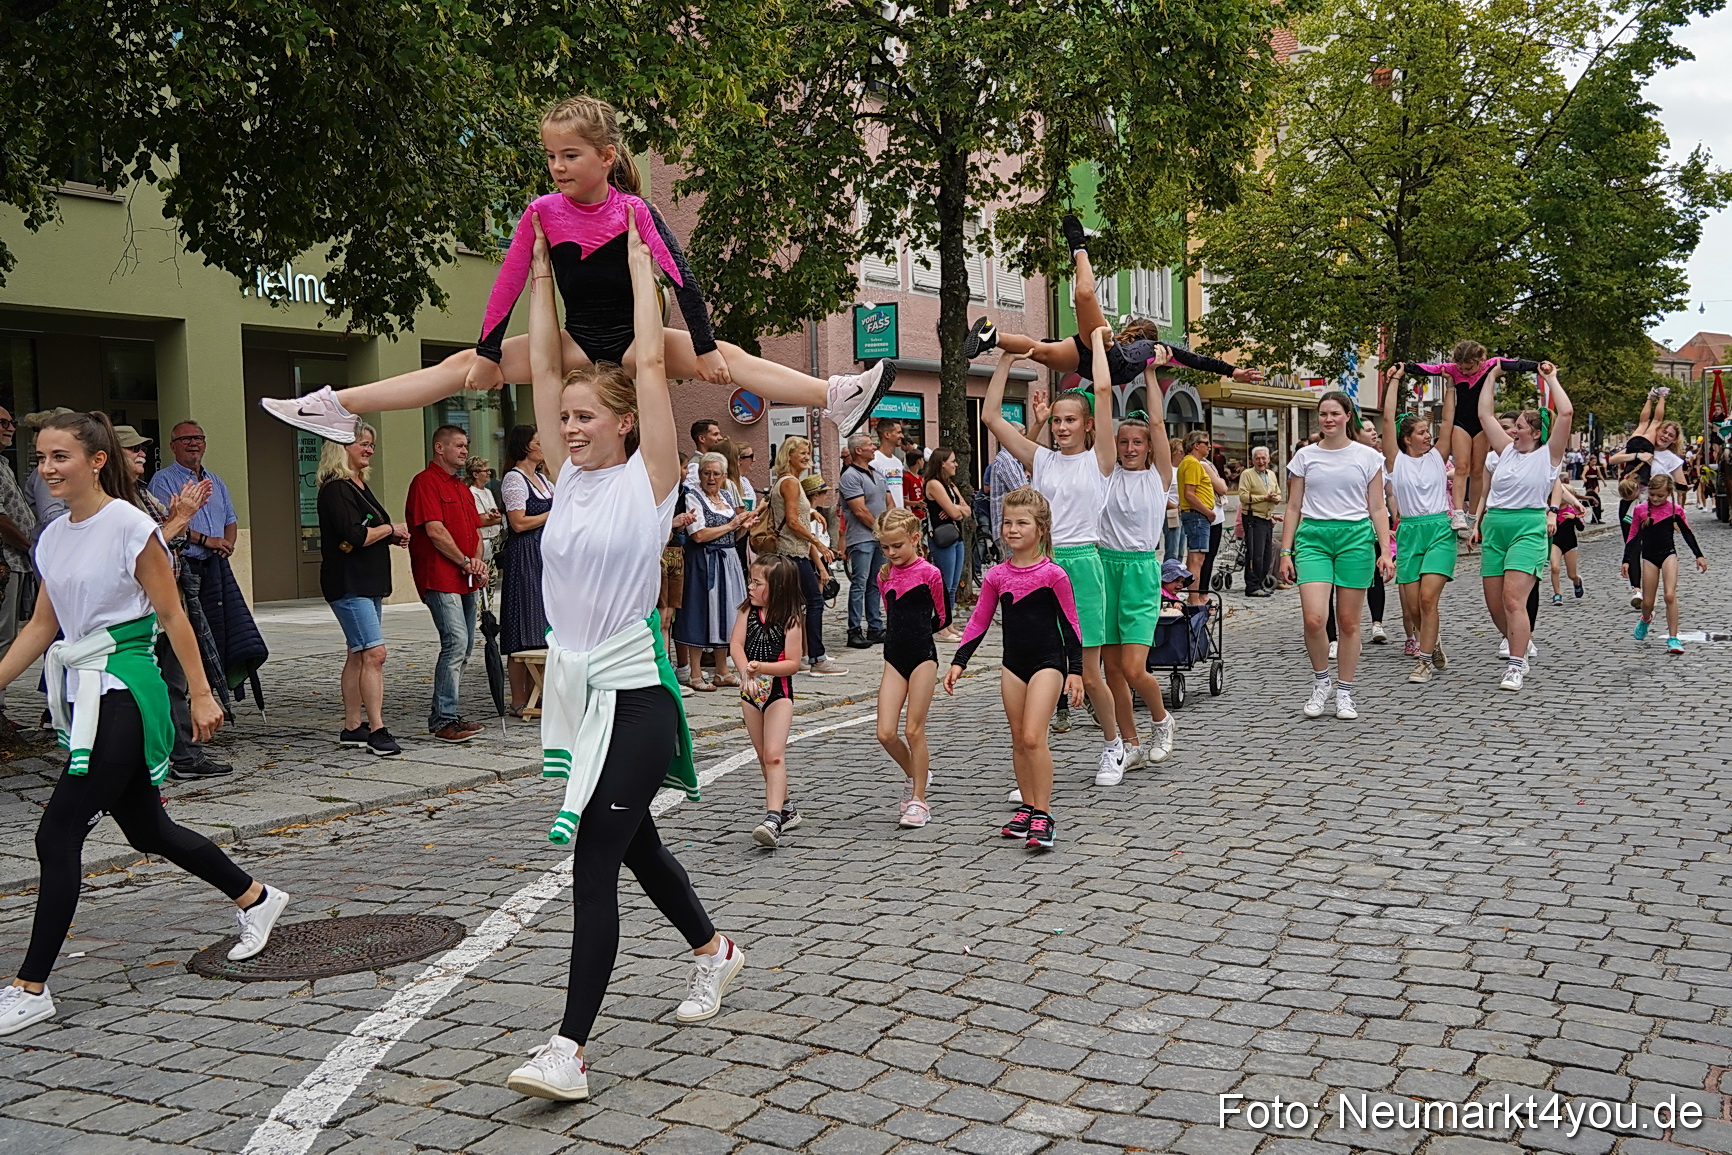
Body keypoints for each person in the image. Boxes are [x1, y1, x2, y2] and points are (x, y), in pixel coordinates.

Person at [260, 97, 896, 446]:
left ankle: (834, 396)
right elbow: (508, 283)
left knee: (728, 350)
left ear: (606, 157)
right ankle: (332, 405)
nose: (558, 166)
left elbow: (683, 278)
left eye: (570, 156)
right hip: (575, 339)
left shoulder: (634, 211)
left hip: (635, 340)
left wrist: (702, 348)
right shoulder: (542, 212)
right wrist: (485, 350)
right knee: (459, 368)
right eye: (551, 156)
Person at [504, 206, 739, 1103]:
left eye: (581, 416)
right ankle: (715, 949)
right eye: (559, 416)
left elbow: (647, 363)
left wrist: (643, 265)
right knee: (634, 842)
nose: (565, 426)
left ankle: (568, 1047)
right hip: (577, 692)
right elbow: (540, 355)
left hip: (636, 696)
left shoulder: (652, 477)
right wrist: (535, 275)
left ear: (622, 425)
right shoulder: (559, 484)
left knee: (595, 856)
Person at [0, 412, 289, 1038]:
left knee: (57, 834)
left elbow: (173, 614)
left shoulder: (132, 526)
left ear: (97, 460)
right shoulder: (52, 536)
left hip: (128, 689)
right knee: (147, 828)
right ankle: (257, 898)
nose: (47, 468)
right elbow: (43, 627)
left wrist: (205, 695)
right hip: (86, 688)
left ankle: (31, 987)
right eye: (42, 457)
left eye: (61, 457)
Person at [983, 339, 1123, 783]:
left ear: (1086, 426)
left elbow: (1102, 392)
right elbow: (990, 418)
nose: (1061, 427)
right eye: (1057, 420)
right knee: (1038, 667)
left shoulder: (1101, 461)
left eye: (1069, 421)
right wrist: (1007, 355)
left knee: (1090, 673)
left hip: (1082, 564)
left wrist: (1098, 344)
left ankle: (1113, 744)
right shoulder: (1040, 458)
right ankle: (1030, 765)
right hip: (1039, 570)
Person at [962, 216, 1263, 389]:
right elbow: (1195, 359)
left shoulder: (1154, 354)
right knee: (1083, 296)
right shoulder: (1157, 350)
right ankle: (1079, 246)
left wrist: (1231, 371)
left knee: (1038, 352)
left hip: (1089, 361)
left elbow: (1197, 359)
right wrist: (1231, 371)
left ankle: (993, 335)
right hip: (1103, 351)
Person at [944, 487, 1083, 852]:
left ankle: (1045, 814)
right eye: (1007, 522)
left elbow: (1071, 625)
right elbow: (978, 621)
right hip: (1013, 665)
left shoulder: (1054, 574)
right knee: (1019, 738)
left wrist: (1077, 670)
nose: (1012, 529)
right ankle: (1027, 805)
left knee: (1036, 737)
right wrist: (960, 661)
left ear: (1041, 529)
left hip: (1048, 664)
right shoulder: (996, 576)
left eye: (1022, 523)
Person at [120, 426, 235, 777]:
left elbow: (165, 536)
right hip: (145, 605)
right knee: (157, 682)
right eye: (132, 448)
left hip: (169, 595)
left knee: (171, 677)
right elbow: (147, 549)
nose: (141, 453)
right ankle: (168, 756)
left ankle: (182, 754)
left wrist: (178, 519)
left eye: (142, 447)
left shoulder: (138, 491)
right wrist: (181, 519)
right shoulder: (119, 501)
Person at [1278, 391, 1395, 720]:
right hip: (1313, 537)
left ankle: (1344, 690)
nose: (1328, 419)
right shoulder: (1305, 457)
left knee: (1347, 622)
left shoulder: (1368, 457)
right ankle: (1321, 682)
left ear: (1347, 417)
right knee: (1314, 619)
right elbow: (1293, 506)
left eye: (1334, 413)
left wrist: (1385, 551)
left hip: (1355, 538)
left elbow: (1377, 507)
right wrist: (1286, 551)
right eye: (1323, 414)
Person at [1094, 362, 1177, 781]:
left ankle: (1162, 721)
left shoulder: (1158, 479)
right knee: (1110, 671)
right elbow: (1104, 414)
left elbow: (1159, 421)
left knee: (1132, 668)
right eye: (1123, 441)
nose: (1128, 448)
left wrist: (1149, 374)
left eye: (1137, 442)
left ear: (1149, 447)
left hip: (1141, 570)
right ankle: (1128, 743)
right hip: (1103, 567)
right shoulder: (1105, 475)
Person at [1476, 362, 1571, 691]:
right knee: (1494, 605)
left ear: (1534, 431)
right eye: (1512, 427)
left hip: (1527, 528)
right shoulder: (1505, 453)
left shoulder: (1548, 455)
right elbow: (1485, 415)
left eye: (1518, 427)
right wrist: (1491, 375)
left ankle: (1516, 666)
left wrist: (1551, 379)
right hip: (1496, 527)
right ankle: (1520, 639)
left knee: (1514, 599)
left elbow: (1567, 413)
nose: (1512, 431)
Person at [315, 422, 408, 757]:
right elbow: (356, 535)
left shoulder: (357, 485)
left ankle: (353, 726)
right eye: (363, 444)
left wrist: (390, 533)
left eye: (372, 445)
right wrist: (389, 528)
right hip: (348, 580)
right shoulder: (337, 488)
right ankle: (378, 728)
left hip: (367, 579)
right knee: (374, 653)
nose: (369, 450)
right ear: (342, 447)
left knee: (358, 652)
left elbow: (370, 529)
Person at [1398, 343, 1544, 532]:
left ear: (1481, 360)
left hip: (1483, 425)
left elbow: (1516, 364)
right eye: (1461, 368)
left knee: (1477, 470)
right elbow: (1428, 369)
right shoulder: (1453, 370)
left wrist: (1539, 366)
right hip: (1462, 423)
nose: (1464, 372)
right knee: (1462, 467)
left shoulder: (1492, 365)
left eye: (1468, 368)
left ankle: (1472, 515)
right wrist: (1405, 367)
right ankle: (1458, 512)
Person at [147, 420, 235, 714]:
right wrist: (207, 540)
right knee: (185, 633)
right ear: (173, 446)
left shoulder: (216, 481)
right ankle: (183, 697)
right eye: (185, 439)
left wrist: (227, 544)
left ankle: (211, 691)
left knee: (218, 632)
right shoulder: (163, 480)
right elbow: (167, 527)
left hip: (214, 567)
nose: (193, 443)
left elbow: (231, 519)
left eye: (198, 437)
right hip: (186, 566)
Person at [406, 425, 486, 742]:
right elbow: (435, 532)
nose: (464, 451)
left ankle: (449, 712)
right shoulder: (425, 483)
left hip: (465, 577)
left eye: (466, 445)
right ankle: (443, 719)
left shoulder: (462, 488)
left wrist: (476, 562)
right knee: (454, 643)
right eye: (458, 445)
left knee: (465, 646)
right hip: (441, 576)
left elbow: (476, 532)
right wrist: (465, 562)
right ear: (440, 448)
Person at [1380, 366, 1458, 683]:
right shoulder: (1396, 461)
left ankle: (1423, 662)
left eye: (1429, 431)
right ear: (1407, 438)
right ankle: (1432, 641)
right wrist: (1394, 381)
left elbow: (1450, 423)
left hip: (1440, 529)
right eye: (1422, 432)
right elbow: (1386, 420)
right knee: (1412, 609)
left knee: (1428, 600)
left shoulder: (1438, 456)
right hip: (1410, 531)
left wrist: (1452, 384)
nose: (1428, 436)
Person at [872, 509, 945, 829]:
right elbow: (890, 614)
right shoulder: (884, 575)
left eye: (897, 546)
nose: (891, 553)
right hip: (894, 657)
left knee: (913, 729)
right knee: (885, 732)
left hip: (922, 656)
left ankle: (919, 799)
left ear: (915, 539)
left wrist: (922, 637)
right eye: (885, 548)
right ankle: (917, 773)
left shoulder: (930, 573)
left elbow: (941, 617)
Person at [728, 553, 804, 847]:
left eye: (756, 582)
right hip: (751, 693)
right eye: (751, 580)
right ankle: (787, 808)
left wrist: (762, 667)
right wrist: (744, 668)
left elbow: (793, 663)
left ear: (776, 587)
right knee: (762, 756)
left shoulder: (791, 619)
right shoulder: (748, 611)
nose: (750, 586)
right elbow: (736, 644)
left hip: (778, 694)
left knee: (774, 754)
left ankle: (772, 819)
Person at [767, 436, 845, 675]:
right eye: (801, 453)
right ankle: (817, 659)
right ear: (788, 455)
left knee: (792, 607)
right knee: (813, 602)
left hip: (791, 552)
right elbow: (791, 521)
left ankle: (793, 656)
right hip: (793, 553)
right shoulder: (790, 483)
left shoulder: (789, 482)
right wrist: (817, 544)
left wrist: (809, 515)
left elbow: (793, 517)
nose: (806, 458)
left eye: (808, 453)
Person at [676, 452, 753, 690]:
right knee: (701, 612)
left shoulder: (727, 495)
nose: (710, 478)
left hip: (728, 558)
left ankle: (722, 671)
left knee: (727, 612)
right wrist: (731, 524)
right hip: (705, 560)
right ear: (699, 475)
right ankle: (696, 673)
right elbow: (698, 535)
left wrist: (743, 527)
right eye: (706, 473)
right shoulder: (693, 497)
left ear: (724, 476)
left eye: (715, 474)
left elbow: (732, 533)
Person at [500, 425, 554, 714]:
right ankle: (519, 699)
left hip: (545, 555)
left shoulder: (543, 479)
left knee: (543, 624)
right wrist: (552, 513)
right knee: (523, 624)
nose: (543, 445)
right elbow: (518, 523)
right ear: (525, 447)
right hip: (525, 555)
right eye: (538, 441)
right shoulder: (514, 479)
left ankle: (540, 693)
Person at [1624, 474, 1707, 653]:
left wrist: (1698, 555)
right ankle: (1646, 618)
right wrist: (1626, 560)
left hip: (1669, 555)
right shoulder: (1640, 510)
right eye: (1652, 495)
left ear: (1669, 493)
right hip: (1649, 558)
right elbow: (1632, 536)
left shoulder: (1674, 510)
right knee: (1647, 602)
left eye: (1660, 496)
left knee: (1670, 595)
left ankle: (1673, 638)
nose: (1655, 499)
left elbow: (1687, 533)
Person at [0, 406, 36, 731]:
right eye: (2, 423)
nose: (9, 427)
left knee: (9, 635)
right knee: (2, 636)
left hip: (15, 562)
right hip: (4, 563)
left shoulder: (4, 463)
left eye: (11, 422)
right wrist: (30, 545)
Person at [838, 432, 888, 648]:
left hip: (879, 537)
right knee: (859, 583)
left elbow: (888, 502)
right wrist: (881, 530)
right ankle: (854, 629)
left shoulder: (877, 474)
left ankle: (875, 626)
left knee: (875, 583)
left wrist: (892, 526)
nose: (874, 448)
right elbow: (859, 510)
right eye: (869, 445)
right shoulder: (850, 476)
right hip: (862, 538)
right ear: (858, 450)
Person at [920, 447, 969, 638]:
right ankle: (940, 625)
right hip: (942, 538)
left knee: (953, 585)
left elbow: (966, 510)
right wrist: (956, 510)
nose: (956, 464)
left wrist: (954, 508)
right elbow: (957, 513)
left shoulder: (950, 485)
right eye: (952, 461)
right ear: (942, 463)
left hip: (956, 536)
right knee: (944, 584)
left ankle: (947, 623)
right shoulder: (934, 484)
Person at [1176, 431, 1218, 607]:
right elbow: (1190, 494)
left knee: (1194, 558)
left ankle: (1193, 597)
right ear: (1196, 445)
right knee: (1196, 560)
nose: (1209, 447)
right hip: (1197, 516)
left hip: (1194, 515)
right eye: (1206, 443)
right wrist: (1208, 512)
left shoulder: (1188, 463)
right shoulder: (1193, 464)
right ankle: (1194, 600)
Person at [1238, 446, 1281, 597]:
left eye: (1263, 458)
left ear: (1268, 459)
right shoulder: (1247, 474)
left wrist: (1276, 499)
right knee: (1255, 553)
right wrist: (1264, 498)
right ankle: (1252, 586)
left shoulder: (1271, 474)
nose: (1261, 461)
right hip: (1253, 518)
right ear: (1252, 460)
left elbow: (1278, 493)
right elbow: (1243, 497)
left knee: (1266, 554)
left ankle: (1261, 583)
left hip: (1267, 518)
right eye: (1257, 458)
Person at [986, 426, 1030, 554]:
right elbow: (1021, 492)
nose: (1025, 439)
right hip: (1010, 528)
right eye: (1023, 435)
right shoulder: (1006, 460)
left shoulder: (1013, 459)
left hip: (1012, 526)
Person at [1548, 478, 1587, 606]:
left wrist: (1574, 517)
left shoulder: (1572, 510)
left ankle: (1577, 581)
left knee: (1571, 574)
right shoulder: (1550, 511)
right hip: (1556, 542)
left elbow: (1581, 527)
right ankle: (1557, 594)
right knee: (1555, 568)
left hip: (1570, 544)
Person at [468, 458, 503, 564]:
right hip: (485, 541)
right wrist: (499, 519)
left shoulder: (487, 491)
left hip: (496, 538)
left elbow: (495, 513)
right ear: (475, 474)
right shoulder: (472, 493)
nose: (489, 473)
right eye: (486, 471)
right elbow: (481, 520)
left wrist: (494, 517)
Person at [872, 419, 907, 510]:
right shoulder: (874, 461)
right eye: (899, 432)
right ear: (887, 434)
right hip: (884, 516)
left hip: (898, 516)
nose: (902, 436)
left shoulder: (898, 462)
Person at [685, 419, 723, 489]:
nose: (720, 438)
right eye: (715, 434)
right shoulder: (695, 466)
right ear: (702, 438)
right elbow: (691, 492)